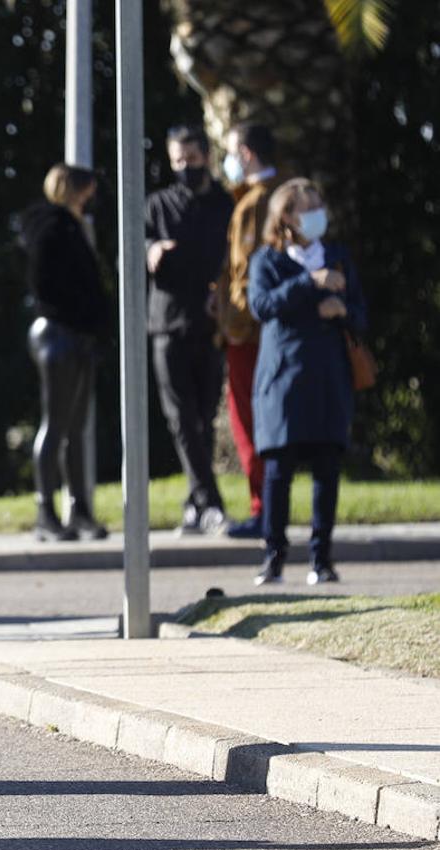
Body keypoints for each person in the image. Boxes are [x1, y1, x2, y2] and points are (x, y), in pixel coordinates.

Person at [248, 179, 367, 586]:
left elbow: (361, 315)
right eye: (307, 208)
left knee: (326, 469)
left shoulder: (337, 257)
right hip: (283, 377)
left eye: (319, 205)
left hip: (328, 376)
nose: (317, 215)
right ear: (286, 216)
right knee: (278, 471)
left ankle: (322, 558)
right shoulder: (267, 260)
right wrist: (310, 283)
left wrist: (342, 310)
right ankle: (273, 556)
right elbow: (262, 306)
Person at [145, 125, 235, 536]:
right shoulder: (157, 205)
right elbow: (132, 250)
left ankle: (194, 504)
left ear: (207, 158)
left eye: (191, 160)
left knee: (201, 416)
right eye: (177, 161)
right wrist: (152, 251)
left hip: (210, 324)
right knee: (179, 417)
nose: (184, 168)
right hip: (166, 323)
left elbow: (236, 259)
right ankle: (210, 503)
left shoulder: (225, 205)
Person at [21, 163, 109, 542]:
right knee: (55, 423)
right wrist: (79, 314)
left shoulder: (74, 228)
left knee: (74, 427)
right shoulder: (52, 226)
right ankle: (45, 511)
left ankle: (79, 509)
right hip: (57, 332)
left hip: (77, 334)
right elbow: (46, 281)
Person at [218, 122, 289, 540]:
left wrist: (234, 322)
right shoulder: (279, 194)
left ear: (245, 153)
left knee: (250, 420)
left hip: (250, 333)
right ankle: (266, 507)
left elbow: (246, 274)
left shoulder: (256, 202)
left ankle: (264, 508)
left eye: (230, 152)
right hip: (266, 328)